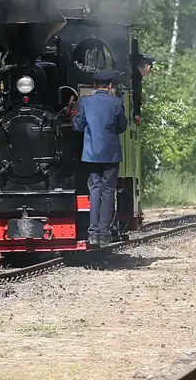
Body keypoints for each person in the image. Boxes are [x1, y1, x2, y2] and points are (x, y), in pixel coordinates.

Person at [72, 70, 128, 248]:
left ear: (95, 86)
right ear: (110, 85)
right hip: (111, 155)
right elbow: (122, 127)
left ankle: (93, 233)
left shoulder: (85, 102)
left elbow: (78, 126)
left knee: (94, 192)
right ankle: (105, 233)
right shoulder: (117, 102)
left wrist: (72, 117)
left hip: (91, 155)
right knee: (108, 191)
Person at [132, 54, 155, 125]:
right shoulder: (136, 79)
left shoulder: (133, 76)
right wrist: (136, 113)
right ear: (147, 67)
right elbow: (136, 98)